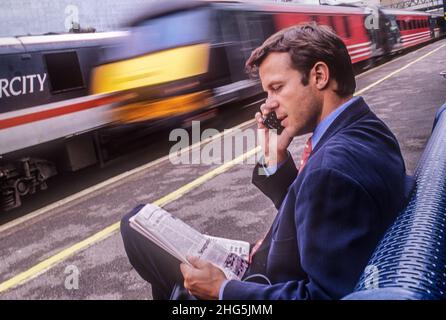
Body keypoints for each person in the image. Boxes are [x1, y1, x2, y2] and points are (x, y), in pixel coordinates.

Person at [120, 23, 410, 300]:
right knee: (141, 226)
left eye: (277, 87)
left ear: (319, 76)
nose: (268, 104)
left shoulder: (331, 170)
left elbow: (322, 295)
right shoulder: (366, 128)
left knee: (136, 229)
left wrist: (222, 291)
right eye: (266, 92)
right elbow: (316, 213)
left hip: (260, 286)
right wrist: (275, 154)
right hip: (269, 266)